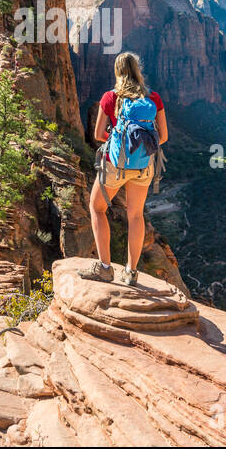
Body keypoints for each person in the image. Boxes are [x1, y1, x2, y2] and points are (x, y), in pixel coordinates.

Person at [77, 52, 167, 286]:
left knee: (96, 208)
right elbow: (163, 137)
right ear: (138, 70)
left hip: (114, 164)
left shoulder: (110, 97)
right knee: (135, 215)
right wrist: (138, 147)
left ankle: (105, 268)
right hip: (143, 165)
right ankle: (131, 271)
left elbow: (97, 135)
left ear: (118, 71)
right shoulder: (153, 98)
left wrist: (119, 142)